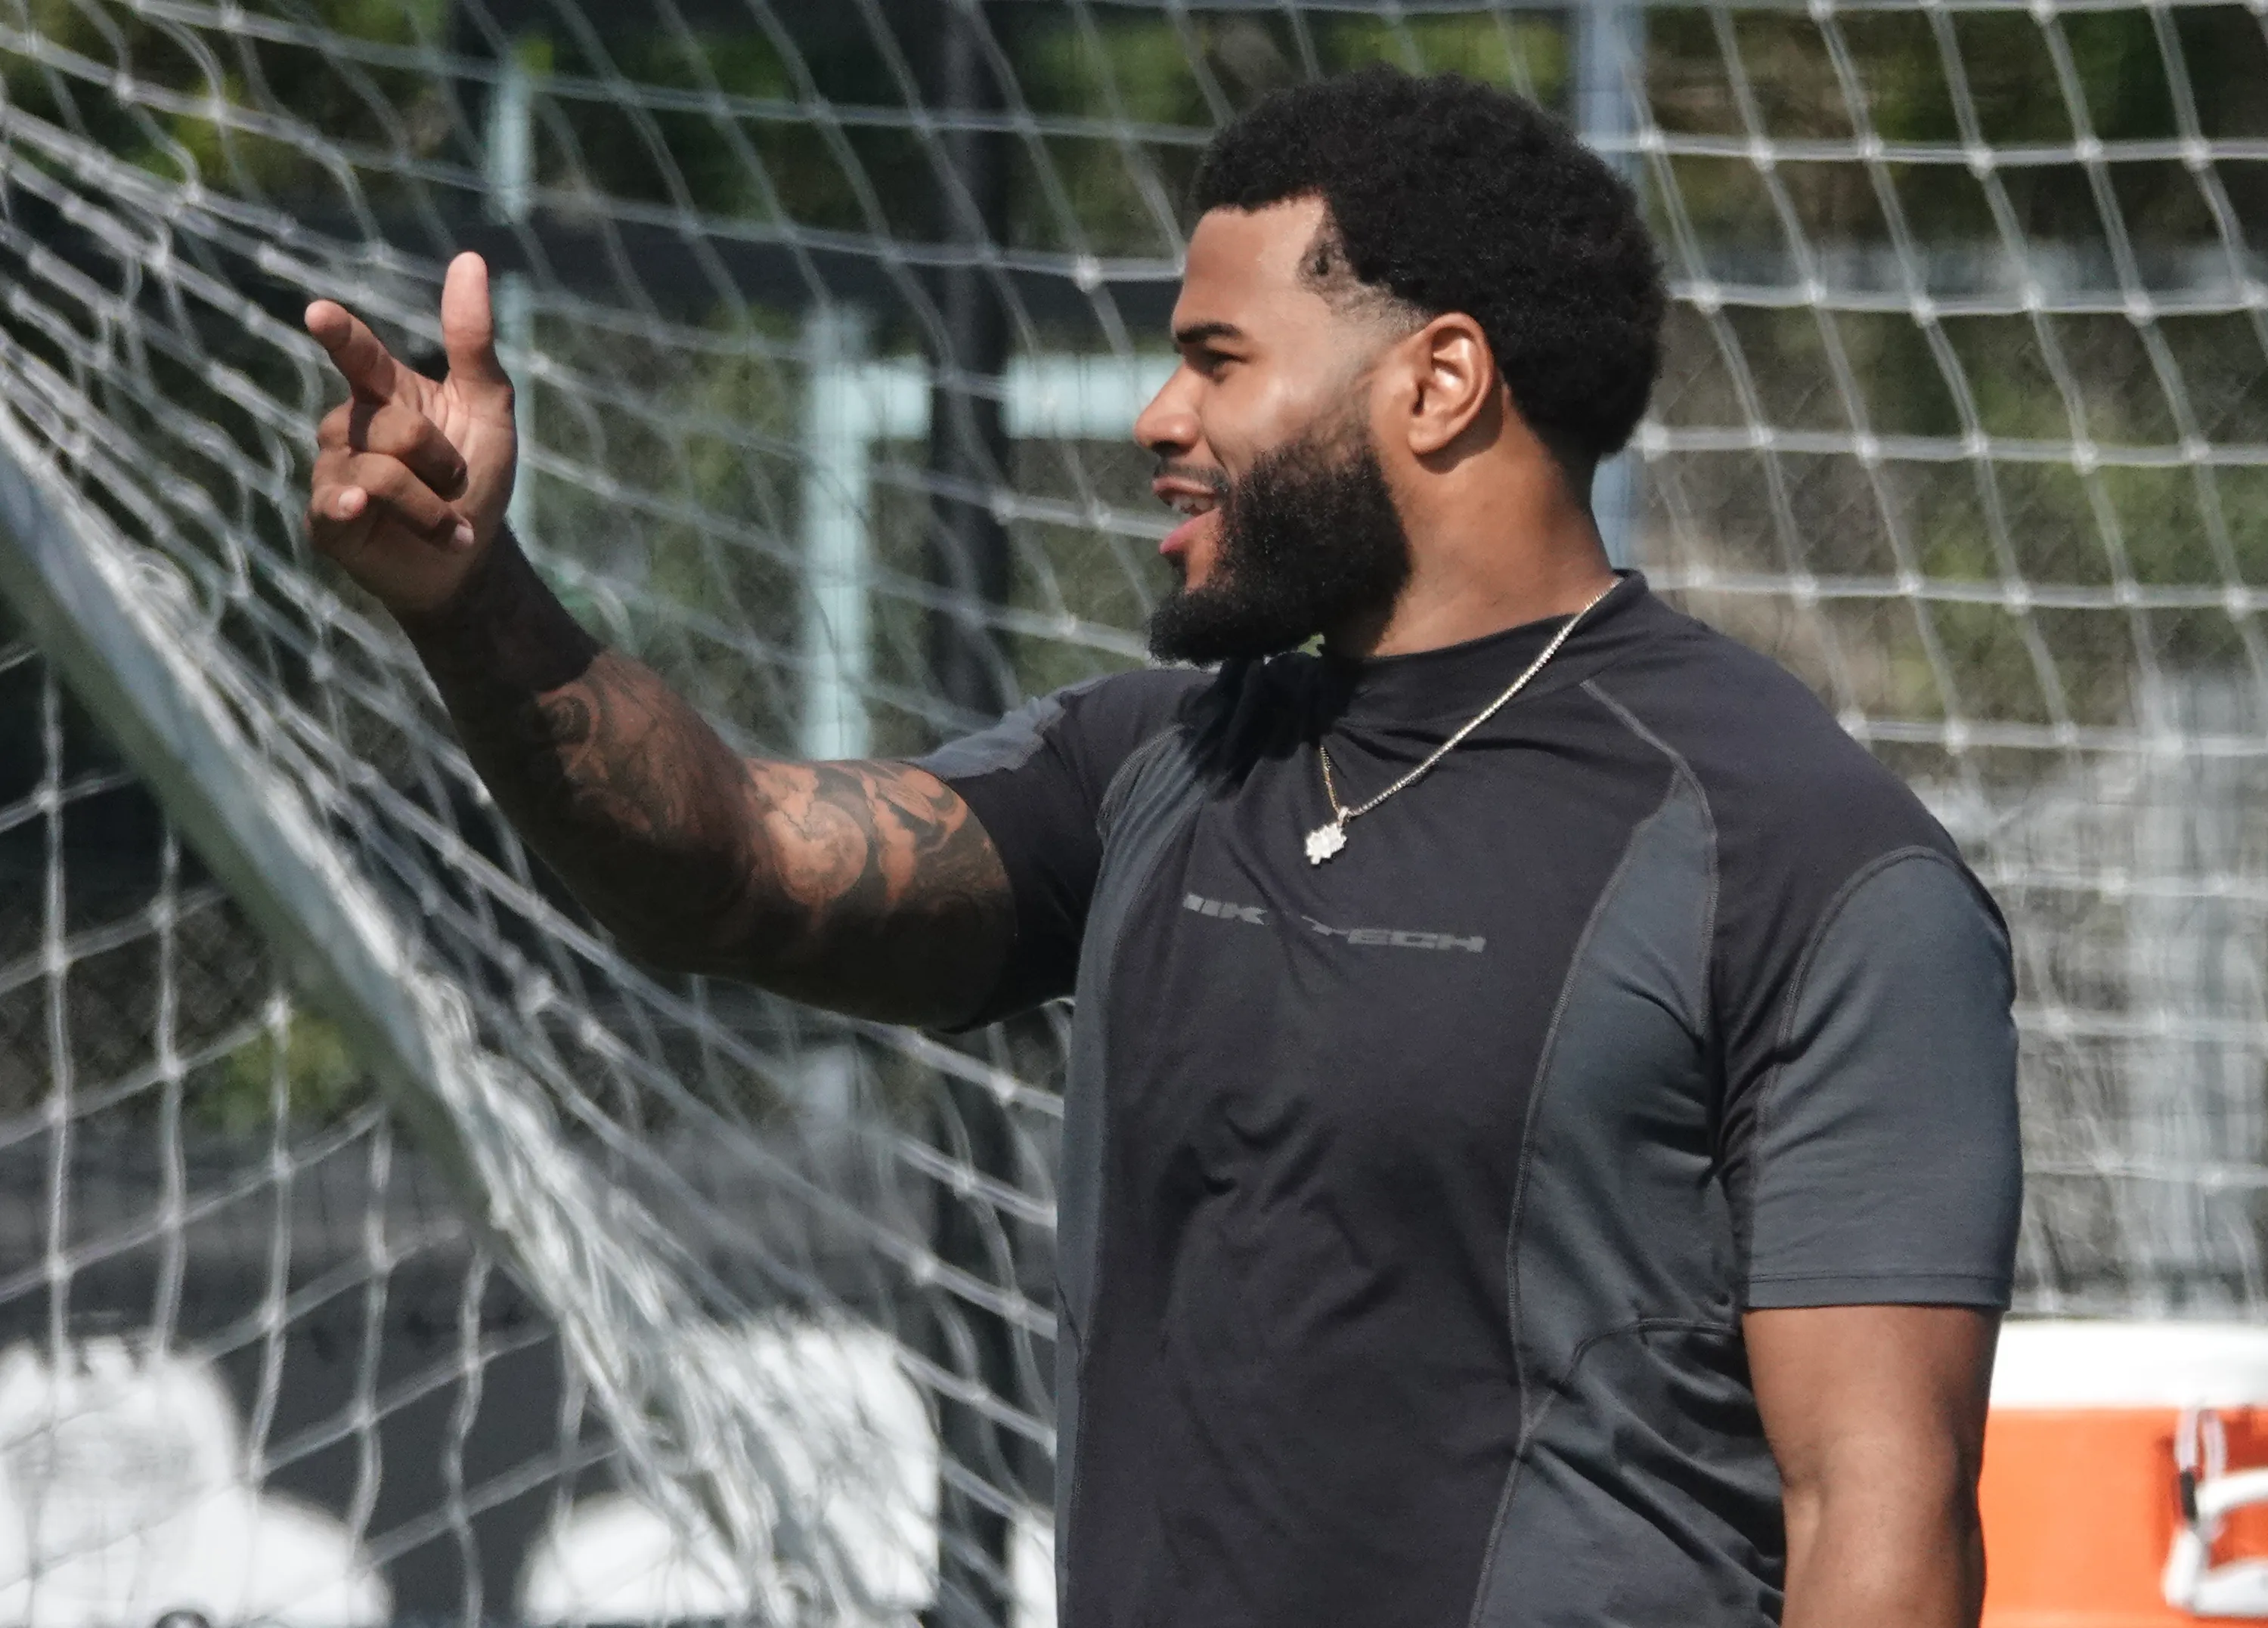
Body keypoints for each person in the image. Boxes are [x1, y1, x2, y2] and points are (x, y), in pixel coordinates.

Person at [303, 65, 2020, 1628]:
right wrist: (478, 608)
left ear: (1440, 382)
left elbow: (1883, 1511)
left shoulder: (1809, 864)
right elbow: (737, 865)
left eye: (1216, 361)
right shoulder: (1156, 766)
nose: (1153, 420)